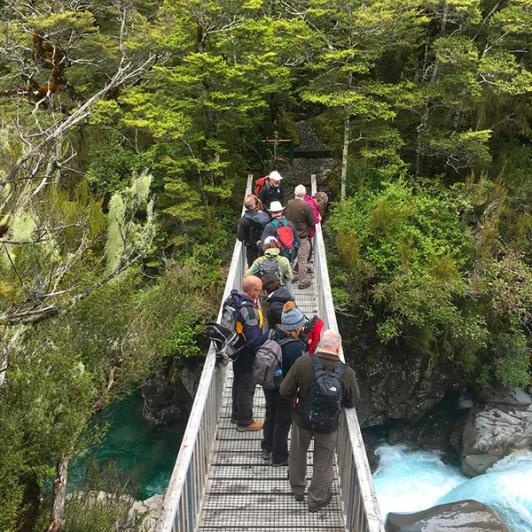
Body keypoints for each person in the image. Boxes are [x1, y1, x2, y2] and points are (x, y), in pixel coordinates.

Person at [280, 330, 360, 511]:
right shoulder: (347, 373)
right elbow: (352, 400)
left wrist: (296, 399)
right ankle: (316, 499)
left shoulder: (303, 363)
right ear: (338, 348)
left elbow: (285, 390)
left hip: (302, 419)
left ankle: (298, 489)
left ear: (320, 344)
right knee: (323, 461)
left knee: (298, 454)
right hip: (329, 425)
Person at [261, 302, 307, 466]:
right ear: (295, 327)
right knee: (283, 421)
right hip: (284, 389)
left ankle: (267, 448)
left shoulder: (270, 333)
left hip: (268, 383)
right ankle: (279, 457)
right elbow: (297, 374)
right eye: (301, 325)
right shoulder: (294, 347)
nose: (303, 328)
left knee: (270, 414)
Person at [229, 275, 265, 431]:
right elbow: (254, 339)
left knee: (238, 381)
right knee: (247, 386)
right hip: (247, 354)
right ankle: (245, 422)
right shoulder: (248, 310)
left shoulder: (233, 300)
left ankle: (236, 414)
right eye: (258, 290)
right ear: (251, 291)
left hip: (235, 349)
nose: (260, 293)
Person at [284, 185, 315, 289]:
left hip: (289, 237)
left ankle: (289, 277)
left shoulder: (289, 203)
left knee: (288, 258)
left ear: (294, 193)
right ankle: (302, 282)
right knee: (303, 260)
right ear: (305, 194)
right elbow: (312, 222)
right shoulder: (306, 206)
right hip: (302, 237)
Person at [237, 194, 270, 267]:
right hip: (264, 246)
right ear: (255, 204)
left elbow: (240, 238)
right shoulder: (265, 216)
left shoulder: (243, 221)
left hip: (251, 249)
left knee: (253, 269)